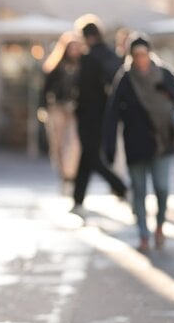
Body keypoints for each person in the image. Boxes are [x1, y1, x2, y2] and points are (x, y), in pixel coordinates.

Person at [104, 34, 174, 251]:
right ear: (131, 56)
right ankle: (143, 234)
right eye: (137, 54)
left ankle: (159, 225)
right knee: (139, 190)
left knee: (161, 188)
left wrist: (165, 89)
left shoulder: (163, 72)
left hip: (162, 142)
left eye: (144, 54)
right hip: (135, 143)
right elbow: (112, 113)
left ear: (149, 53)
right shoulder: (125, 79)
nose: (141, 59)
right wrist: (110, 145)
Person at [71, 15, 127, 212]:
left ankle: (120, 186)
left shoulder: (89, 59)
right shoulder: (111, 55)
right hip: (107, 114)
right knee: (87, 156)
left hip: (89, 116)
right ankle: (77, 199)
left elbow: (83, 90)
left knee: (91, 157)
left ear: (86, 36)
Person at [39, 32, 82, 187]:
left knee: (73, 142)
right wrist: (43, 106)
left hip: (74, 109)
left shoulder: (83, 66)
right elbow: (45, 89)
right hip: (56, 108)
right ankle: (63, 173)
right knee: (57, 142)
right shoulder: (56, 66)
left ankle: (70, 174)